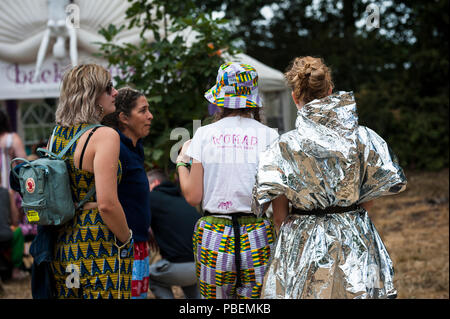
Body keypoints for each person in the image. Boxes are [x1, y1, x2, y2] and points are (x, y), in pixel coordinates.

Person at [252, 56, 407, 299]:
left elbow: (280, 218)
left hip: (301, 245)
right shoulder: (363, 138)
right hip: (355, 238)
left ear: (294, 97)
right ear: (331, 91)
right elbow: (368, 199)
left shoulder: (283, 147)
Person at [25, 64, 134, 299]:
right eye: (109, 88)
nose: (115, 93)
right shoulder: (104, 136)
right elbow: (107, 204)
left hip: (62, 240)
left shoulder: (57, 134)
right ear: (91, 95)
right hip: (97, 242)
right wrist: (127, 239)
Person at [177, 62, 280, 299]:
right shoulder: (270, 136)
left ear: (220, 98)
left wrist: (182, 163)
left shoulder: (203, 134)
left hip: (215, 234)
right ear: (253, 98)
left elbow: (193, 196)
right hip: (257, 233)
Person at [102, 87, 153, 299]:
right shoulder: (116, 149)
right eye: (143, 111)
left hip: (138, 244)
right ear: (123, 117)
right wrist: (127, 240)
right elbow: (106, 200)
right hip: (122, 248)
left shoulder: (135, 147)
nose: (150, 116)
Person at [147, 169, 201, 299]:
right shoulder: (184, 200)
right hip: (201, 267)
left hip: (180, 268)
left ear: (155, 183)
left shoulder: (151, 197)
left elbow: (138, 223)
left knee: (147, 275)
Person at [0, 109, 28, 280]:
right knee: (12, 228)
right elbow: (25, 164)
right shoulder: (11, 139)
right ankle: (14, 269)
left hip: (5, 191)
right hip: (7, 190)